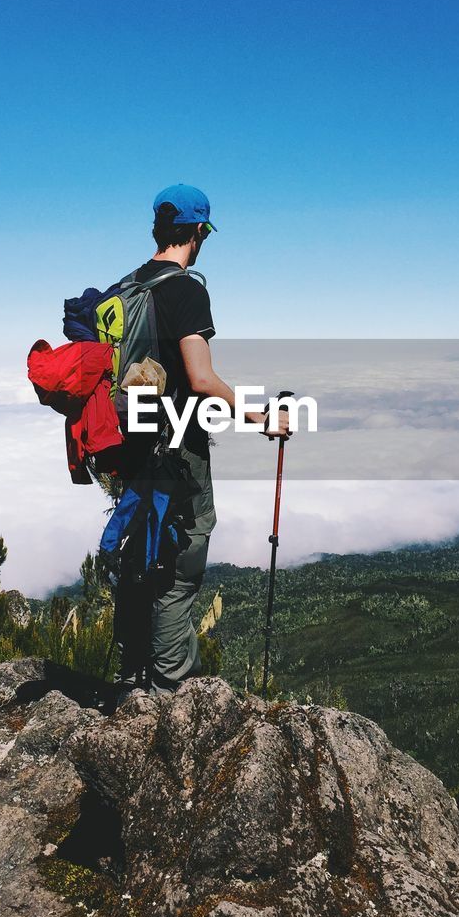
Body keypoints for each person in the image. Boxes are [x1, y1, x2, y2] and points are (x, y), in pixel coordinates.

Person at [113, 183, 289, 700]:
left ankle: (130, 677)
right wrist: (262, 419)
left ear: (156, 228)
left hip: (131, 444)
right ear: (198, 231)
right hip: (177, 448)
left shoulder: (126, 289)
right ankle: (170, 689)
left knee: (140, 552)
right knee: (180, 562)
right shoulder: (185, 290)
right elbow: (202, 378)